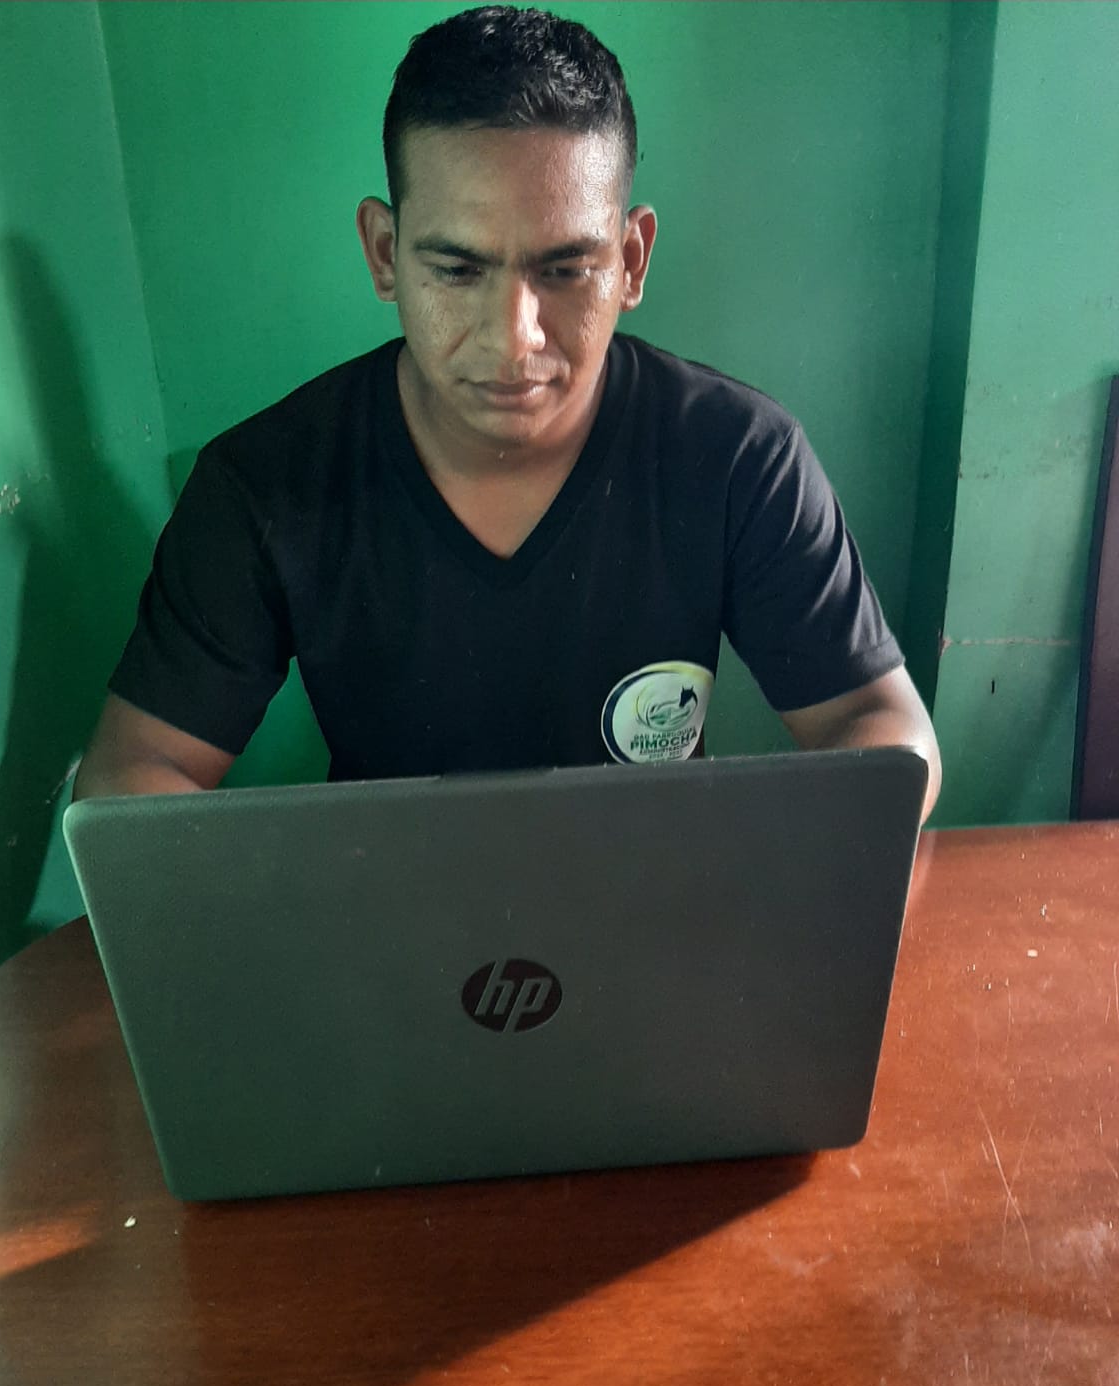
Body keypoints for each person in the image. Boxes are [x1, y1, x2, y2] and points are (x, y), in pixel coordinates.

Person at [74, 4, 941, 817]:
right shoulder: (264, 486)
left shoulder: (738, 456)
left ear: (632, 261)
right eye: (457, 270)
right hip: (387, 904)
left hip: (655, 900)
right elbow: (131, 773)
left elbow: (882, 728)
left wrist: (763, 875)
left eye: (565, 270)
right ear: (385, 254)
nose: (513, 338)